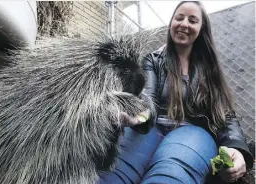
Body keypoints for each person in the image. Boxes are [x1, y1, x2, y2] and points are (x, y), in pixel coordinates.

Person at [99, 1, 254, 184]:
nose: (184, 24)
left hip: (193, 132)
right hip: (151, 128)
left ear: (202, 28)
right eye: (179, 18)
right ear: (171, 22)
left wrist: (236, 147)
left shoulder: (209, 68)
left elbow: (225, 115)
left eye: (192, 20)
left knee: (170, 175)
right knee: (112, 174)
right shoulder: (153, 60)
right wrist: (138, 117)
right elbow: (148, 98)